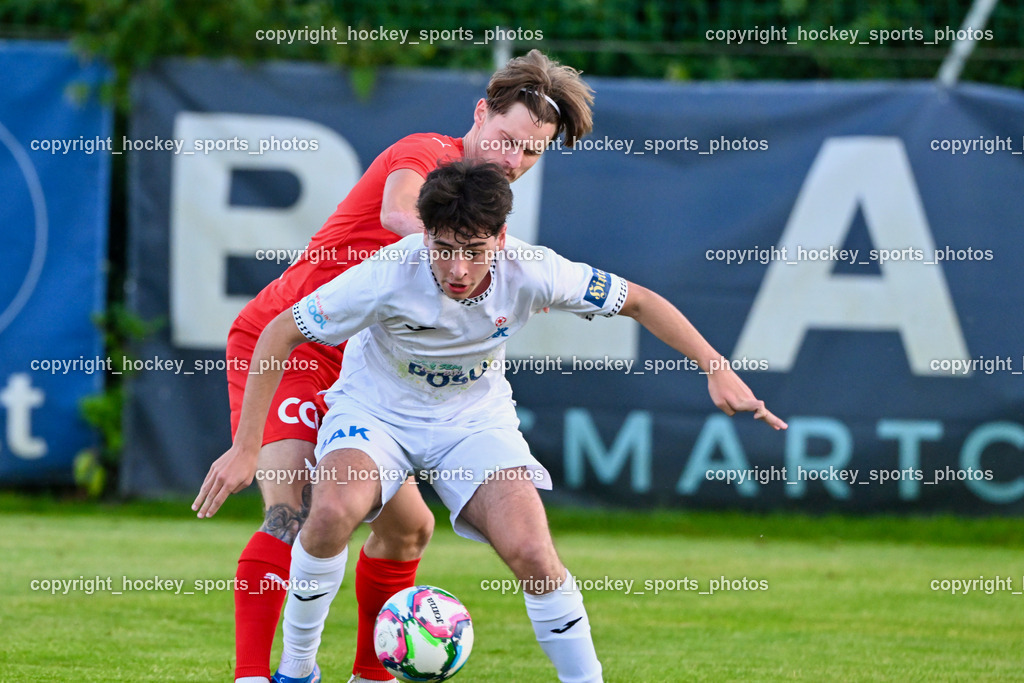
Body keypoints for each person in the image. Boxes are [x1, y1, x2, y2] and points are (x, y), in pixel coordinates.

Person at [196, 160, 788, 683]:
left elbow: (639, 300)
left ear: (500, 239)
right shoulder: (386, 272)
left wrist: (716, 368)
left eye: (474, 250)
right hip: (374, 414)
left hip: (473, 424)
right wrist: (247, 448)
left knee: (532, 551)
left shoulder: (533, 269)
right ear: (424, 235)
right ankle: (298, 669)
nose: (457, 268)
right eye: (443, 248)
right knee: (327, 513)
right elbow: (279, 331)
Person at [192, 50, 595, 683]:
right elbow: (396, 212)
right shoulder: (427, 154)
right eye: (505, 140)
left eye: (531, 153)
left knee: (411, 529)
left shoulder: (486, 213)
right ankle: (256, 675)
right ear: (479, 115)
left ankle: (370, 674)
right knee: (295, 511)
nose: (512, 161)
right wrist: (472, 242)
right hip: (292, 344)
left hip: (367, 368)